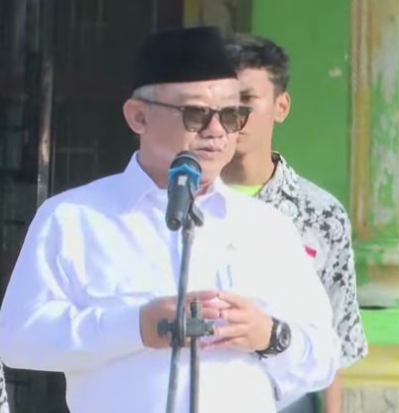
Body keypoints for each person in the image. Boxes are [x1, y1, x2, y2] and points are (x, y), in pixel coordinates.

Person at [0, 26, 340, 413]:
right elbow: (17, 341)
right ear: (139, 117)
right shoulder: (75, 218)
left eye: (231, 115)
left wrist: (269, 335)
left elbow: (324, 359)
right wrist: (136, 327)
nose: (217, 131)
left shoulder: (266, 227)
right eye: (196, 114)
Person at [222, 33, 368, 413]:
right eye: (223, 102)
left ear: (281, 106)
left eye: (247, 100)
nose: (233, 115)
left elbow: (335, 341)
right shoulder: (183, 203)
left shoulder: (320, 214)